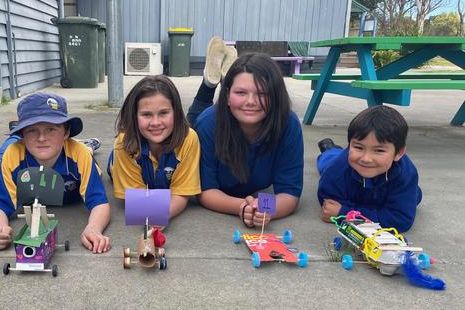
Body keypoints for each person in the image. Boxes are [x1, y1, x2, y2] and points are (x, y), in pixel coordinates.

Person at [0, 92, 112, 253]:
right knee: (7, 148)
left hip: (76, 153)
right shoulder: (13, 154)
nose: (42, 137)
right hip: (22, 148)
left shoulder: (79, 155)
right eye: (31, 130)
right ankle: (20, 131)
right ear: (22, 135)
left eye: (51, 129)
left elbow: (99, 202)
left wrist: (93, 228)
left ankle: (90, 145)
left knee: (84, 150)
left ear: (66, 132)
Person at [193, 52, 304, 228]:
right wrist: (243, 207)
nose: (251, 101)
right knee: (188, 127)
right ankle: (208, 83)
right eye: (241, 92)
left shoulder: (288, 124)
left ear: (276, 96)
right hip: (206, 129)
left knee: (329, 160)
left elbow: (289, 194)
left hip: (253, 191)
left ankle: (329, 152)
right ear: (227, 95)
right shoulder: (207, 125)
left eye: (262, 93)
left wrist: (265, 209)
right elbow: (206, 192)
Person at [316, 105, 421, 232]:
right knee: (327, 161)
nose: (366, 158)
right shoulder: (337, 170)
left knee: (415, 195)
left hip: (376, 189)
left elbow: (400, 220)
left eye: (379, 150)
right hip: (338, 161)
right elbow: (329, 206)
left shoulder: (406, 175)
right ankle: (329, 149)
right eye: (359, 147)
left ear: (399, 153)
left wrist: (345, 213)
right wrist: (378, 213)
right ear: (350, 145)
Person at [108, 75, 201, 219]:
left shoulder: (189, 138)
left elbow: (181, 194)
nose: (155, 122)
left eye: (163, 113)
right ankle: (89, 148)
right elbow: (136, 201)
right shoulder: (124, 142)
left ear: (175, 112)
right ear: (134, 116)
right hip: (119, 161)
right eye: (146, 114)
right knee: (108, 167)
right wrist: (154, 215)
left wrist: (161, 216)